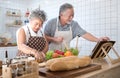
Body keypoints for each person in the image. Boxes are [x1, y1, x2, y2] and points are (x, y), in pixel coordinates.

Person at [44, 3, 109, 51]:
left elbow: (84, 34)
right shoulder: (51, 23)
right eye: (69, 16)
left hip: (66, 55)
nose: (71, 18)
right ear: (61, 15)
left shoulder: (73, 24)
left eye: (73, 15)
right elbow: (43, 37)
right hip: (51, 55)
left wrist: (98, 40)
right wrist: (54, 39)